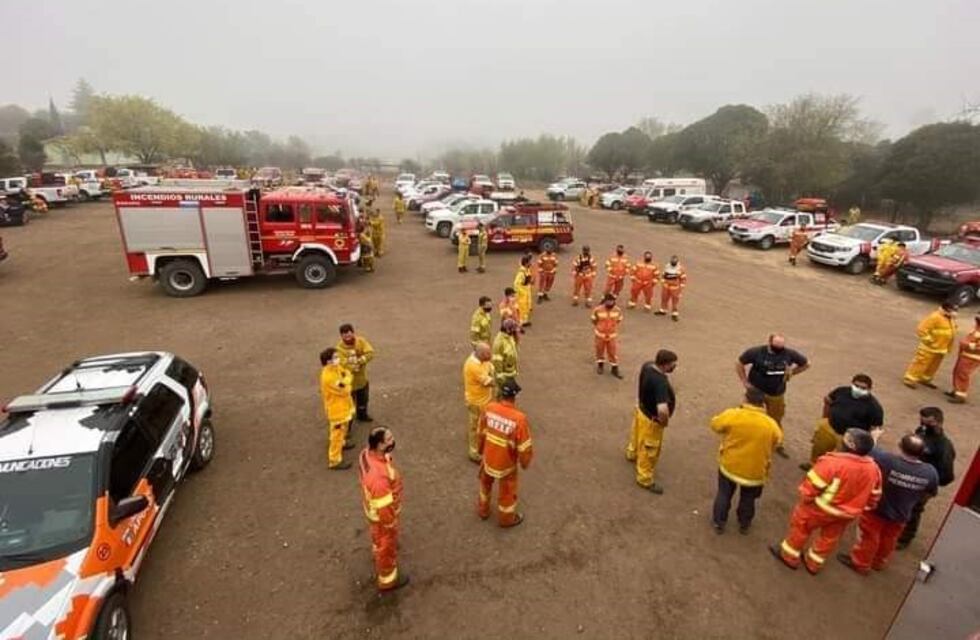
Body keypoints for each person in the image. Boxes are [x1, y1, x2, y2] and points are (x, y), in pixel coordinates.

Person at [771, 429, 882, 574]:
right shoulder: (874, 469)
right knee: (829, 538)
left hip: (820, 508)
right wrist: (861, 508)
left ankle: (789, 556)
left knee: (801, 529)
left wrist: (806, 499)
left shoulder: (832, 462)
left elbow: (811, 486)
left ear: (850, 445)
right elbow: (874, 495)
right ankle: (813, 564)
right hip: (847, 514)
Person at [838, 434, 938, 575]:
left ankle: (860, 563)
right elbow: (930, 493)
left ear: (901, 447)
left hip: (877, 509)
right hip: (902, 513)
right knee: (889, 539)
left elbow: (869, 448)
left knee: (869, 537)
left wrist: (874, 436)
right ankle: (879, 562)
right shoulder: (930, 472)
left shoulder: (886, 460)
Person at [709, 388, 783, 534]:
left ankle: (719, 522)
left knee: (724, 494)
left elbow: (715, 425)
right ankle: (744, 524)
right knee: (748, 499)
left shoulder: (734, 415)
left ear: (745, 399)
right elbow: (778, 441)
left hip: (730, 465)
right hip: (755, 471)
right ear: (763, 404)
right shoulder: (771, 424)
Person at [736, 334, 810, 458]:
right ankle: (743, 438)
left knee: (776, 419)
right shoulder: (757, 352)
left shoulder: (789, 354)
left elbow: (806, 364)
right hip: (756, 392)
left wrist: (792, 372)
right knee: (748, 416)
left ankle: (777, 443)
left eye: (781, 348)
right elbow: (739, 363)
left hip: (776, 393)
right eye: (776, 347)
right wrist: (744, 381)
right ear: (769, 343)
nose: (778, 350)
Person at [896, 407, 956, 548]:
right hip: (909, 474)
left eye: (928, 422)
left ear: (938, 422)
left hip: (923, 484)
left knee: (914, 509)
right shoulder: (921, 431)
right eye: (921, 421)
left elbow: (947, 474)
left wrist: (929, 484)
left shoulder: (943, 446)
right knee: (902, 505)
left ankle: (905, 538)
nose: (923, 425)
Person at [477, 380, 533, 527]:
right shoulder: (519, 419)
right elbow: (524, 447)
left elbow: (481, 433)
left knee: (485, 485)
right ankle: (506, 519)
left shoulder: (488, 408)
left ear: (501, 394)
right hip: (506, 464)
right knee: (507, 491)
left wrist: (480, 450)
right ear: (515, 397)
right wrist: (525, 463)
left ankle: (483, 510)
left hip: (489, 458)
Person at [359, 426, 408, 592]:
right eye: (388, 439)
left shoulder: (366, 454)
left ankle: (377, 549)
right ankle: (388, 580)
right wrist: (391, 524)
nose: (392, 441)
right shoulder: (379, 478)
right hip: (383, 518)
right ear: (379, 445)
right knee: (386, 547)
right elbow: (385, 508)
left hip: (372, 512)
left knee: (377, 538)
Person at [802, 374, 884, 471]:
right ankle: (813, 464)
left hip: (847, 437)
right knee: (819, 447)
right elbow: (828, 400)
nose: (858, 389)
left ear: (869, 389)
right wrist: (824, 419)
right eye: (856, 386)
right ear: (852, 384)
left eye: (863, 388)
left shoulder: (874, 407)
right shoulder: (841, 391)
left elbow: (874, 428)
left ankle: (827, 473)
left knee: (838, 459)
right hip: (829, 427)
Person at [625, 350, 678, 494]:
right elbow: (662, 409)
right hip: (652, 420)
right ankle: (645, 478)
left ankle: (632, 453)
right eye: (673, 365)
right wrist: (664, 422)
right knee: (650, 450)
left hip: (641, 410)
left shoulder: (647, 366)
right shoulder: (660, 382)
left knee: (636, 435)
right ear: (666, 365)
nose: (674, 367)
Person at [903, 301, 959, 389]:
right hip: (929, 348)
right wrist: (930, 341)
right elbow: (921, 329)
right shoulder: (935, 317)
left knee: (933, 366)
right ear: (947, 308)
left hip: (941, 348)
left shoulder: (950, 318)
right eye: (953, 309)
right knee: (920, 364)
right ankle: (910, 379)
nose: (955, 312)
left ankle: (925, 379)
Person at [320, 347, 355, 470]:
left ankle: (342, 443)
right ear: (328, 361)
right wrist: (348, 379)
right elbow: (345, 389)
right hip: (337, 410)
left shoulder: (335, 369)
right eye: (335, 357)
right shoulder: (329, 377)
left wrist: (346, 378)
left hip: (342, 407)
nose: (338, 359)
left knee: (342, 429)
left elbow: (346, 372)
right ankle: (334, 460)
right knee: (337, 432)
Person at [463, 342, 496, 463]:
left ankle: (481, 444)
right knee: (475, 427)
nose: (490, 355)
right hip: (476, 402)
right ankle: (474, 452)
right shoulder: (473, 367)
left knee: (482, 425)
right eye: (488, 353)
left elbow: (490, 367)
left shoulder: (482, 360)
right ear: (481, 354)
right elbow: (491, 382)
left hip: (484, 399)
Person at [336, 324, 375, 423]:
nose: (348, 337)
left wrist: (360, 360)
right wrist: (355, 365)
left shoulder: (361, 341)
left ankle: (362, 415)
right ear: (341, 336)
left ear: (353, 333)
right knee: (348, 406)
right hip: (349, 384)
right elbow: (342, 363)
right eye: (345, 335)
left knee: (363, 400)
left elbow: (370, 353)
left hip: (362, 380)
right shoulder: (339, 349)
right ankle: (346, 425)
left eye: (349, 334)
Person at [946, 313, 980, 404]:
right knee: (957, 371)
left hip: (972, 357)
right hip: (966, 354)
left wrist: (967, 345)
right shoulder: (977, 328)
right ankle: (957, 390)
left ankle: (960, 395)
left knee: (962, 374)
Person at [592, 293, 624, 378]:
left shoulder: (617, 310)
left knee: (613, 352)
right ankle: (600, 365)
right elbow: (594, 320)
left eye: (612, 301)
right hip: (600, 335)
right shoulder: (597, 310)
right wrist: (600, 328)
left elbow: (619, 320)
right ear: (605, 301)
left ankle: (614, 368)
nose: (610, 303)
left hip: (611, 335)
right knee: (599, 350)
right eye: (608, 301)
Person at [491, 319, 520, 393]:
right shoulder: (499, 343)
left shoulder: (508, 337)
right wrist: (502, 382)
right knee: (502, 397)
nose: (515, 331)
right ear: (507, 330)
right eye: (513, 330)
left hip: (510, 374)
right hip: (505, 377)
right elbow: (497, 364)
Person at [655, 255, 687, 321]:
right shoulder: (667, 266)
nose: (673, 262)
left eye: (674, 261)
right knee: (664, 298)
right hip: (666, 286)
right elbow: (664, 274)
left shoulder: (680, 269)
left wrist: (681, 287)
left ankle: (674, 314)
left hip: (675, 288)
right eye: (672, 260)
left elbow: (683, 278)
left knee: (675, 301)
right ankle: (663, 310)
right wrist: (663, 281)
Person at [513, 254, 534, 328]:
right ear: (526, 263)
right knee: (522, 307)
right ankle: (520, 322)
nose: (531, 263)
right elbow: (516, 284)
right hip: (522, 292)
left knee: (526, 307)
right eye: (529, 262)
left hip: (526, 291)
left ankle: (525, 321)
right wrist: (521, 293)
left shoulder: (526, 270)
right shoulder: (521, 273)